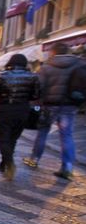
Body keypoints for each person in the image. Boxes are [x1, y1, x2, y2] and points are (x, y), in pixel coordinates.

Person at [23, 43, 86, 180]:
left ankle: (34, 159)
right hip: (70, 105)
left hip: (50, 105)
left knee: (43, 132)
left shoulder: (47, 67)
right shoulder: (78, 64)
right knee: (67, 135)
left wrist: (36, 103)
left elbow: (39, 87)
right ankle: (67, 166)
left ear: (53, 52)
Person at [0, 54, 40, 179]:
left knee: (3, 139)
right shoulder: (33, 77)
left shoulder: (0, 76)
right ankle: (4, 163)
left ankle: (9, 163)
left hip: (5, 110)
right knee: (13, 138)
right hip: (23, 110)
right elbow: (36, 95)